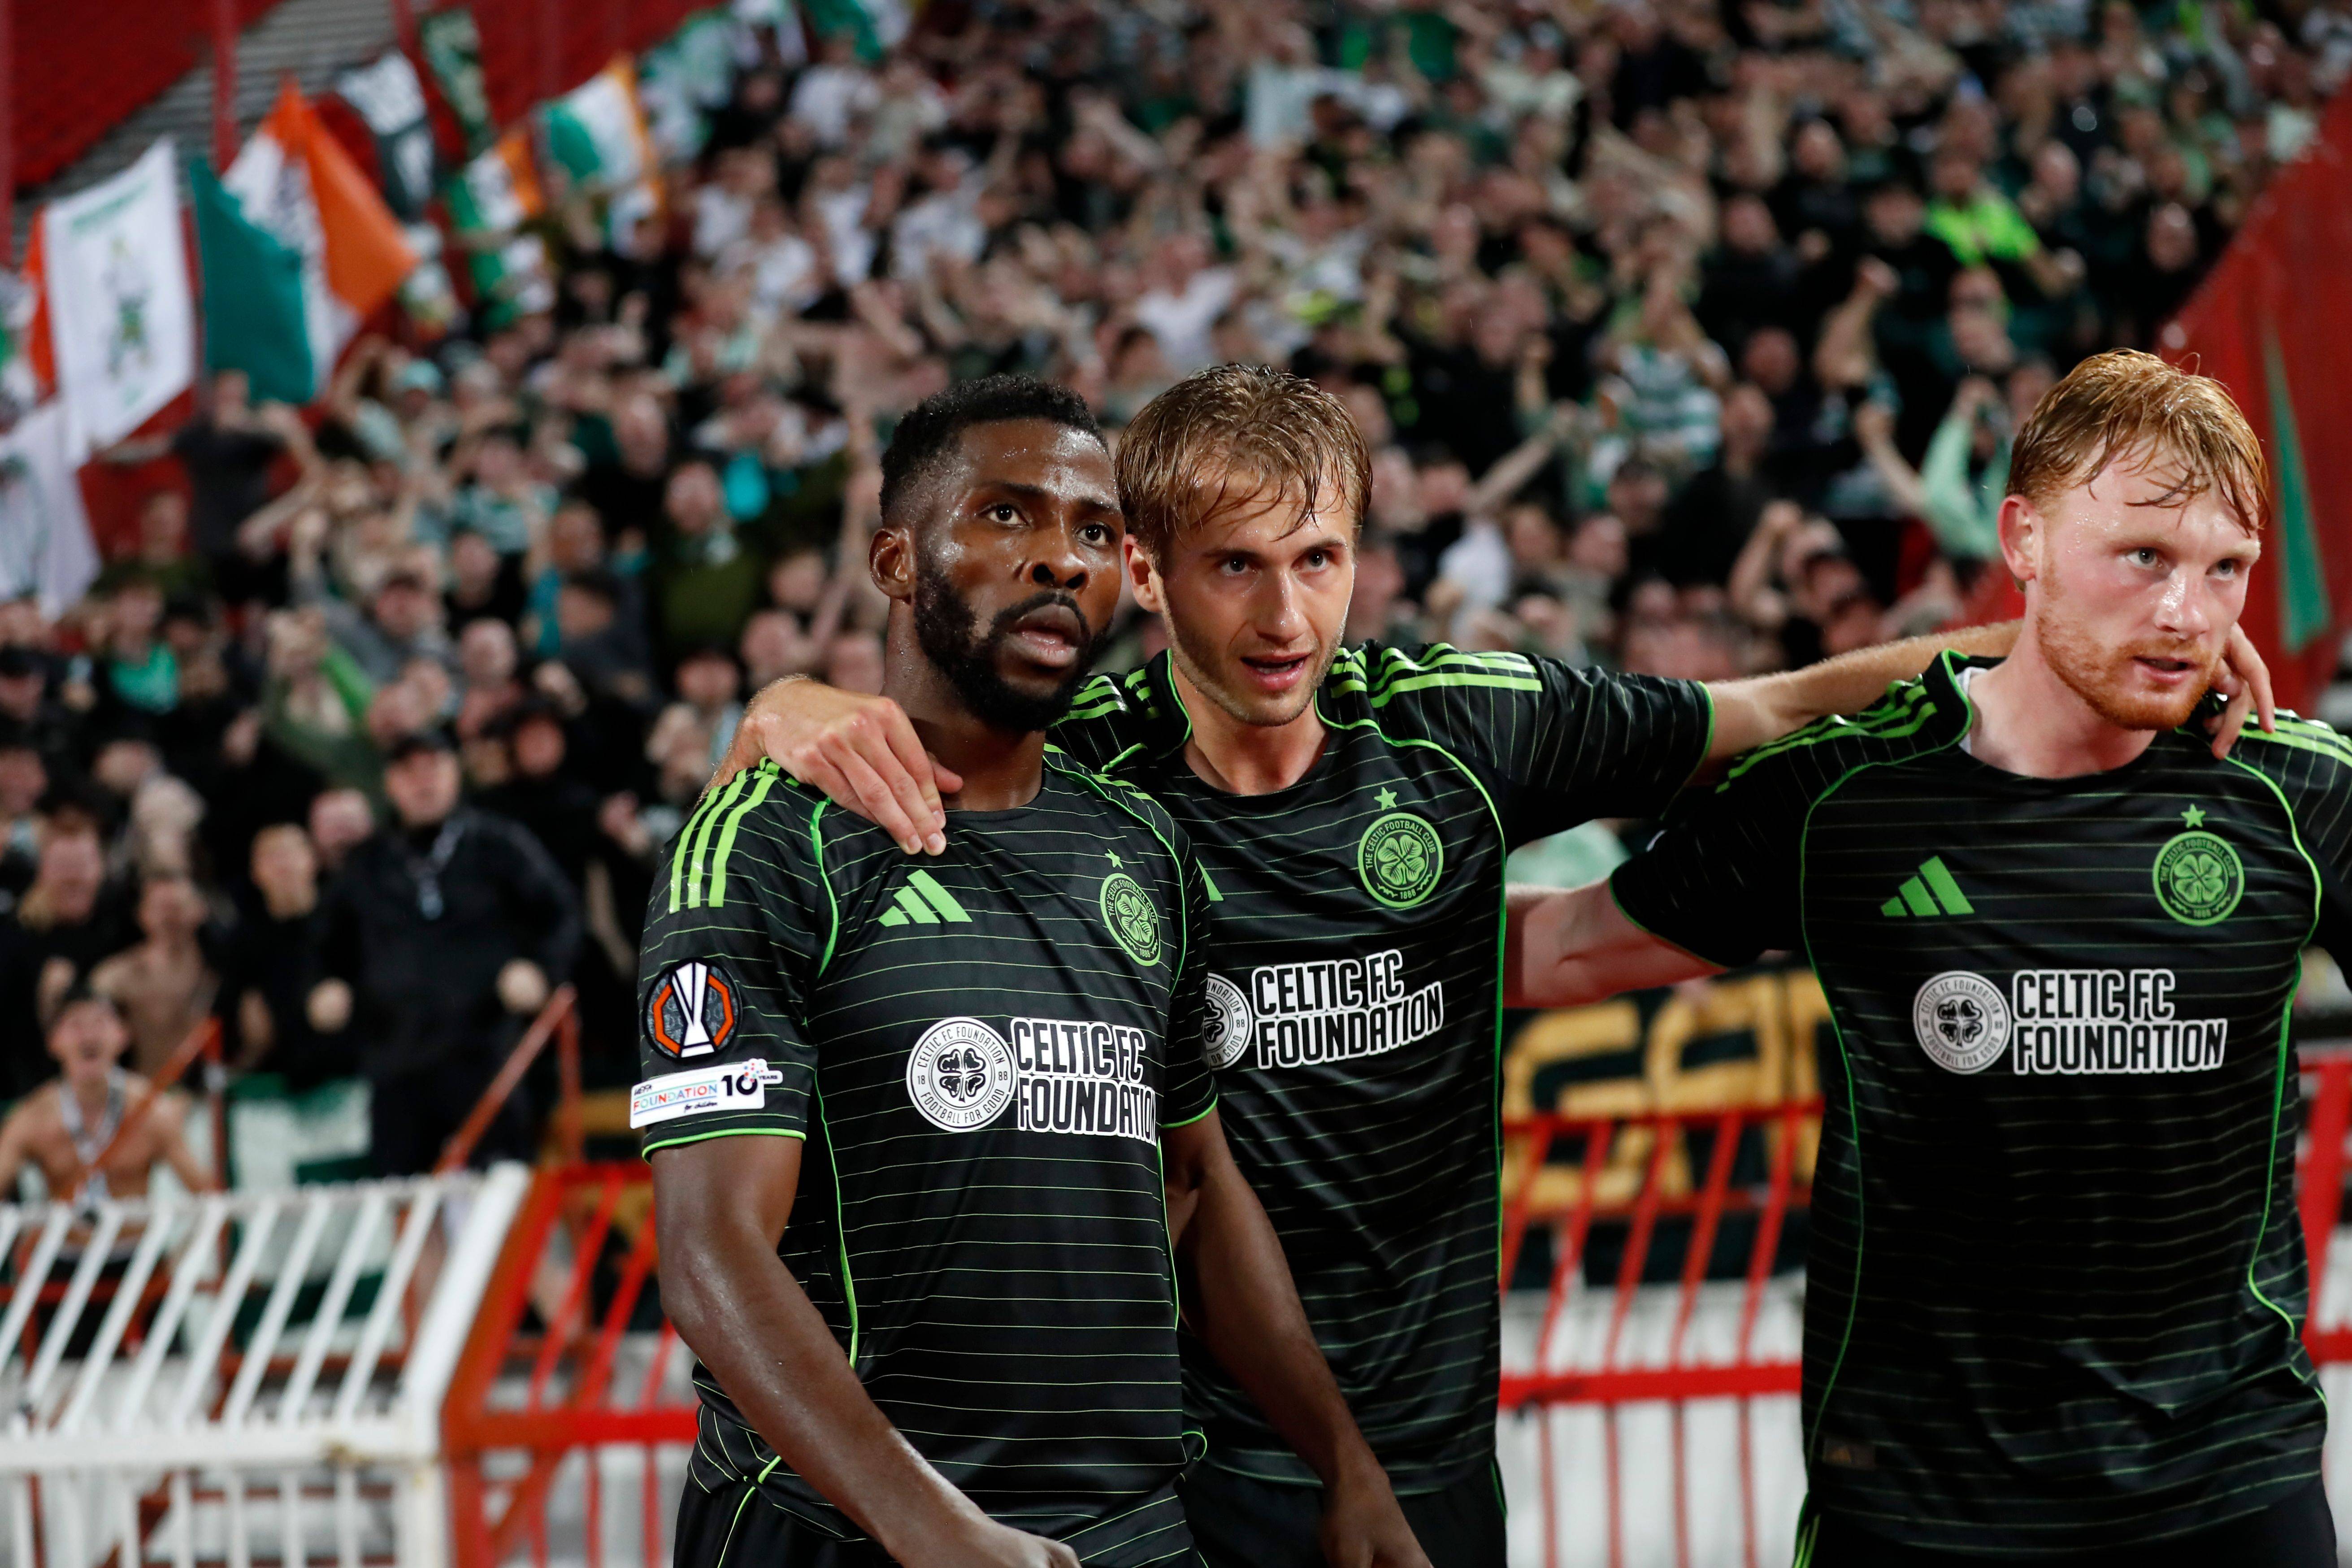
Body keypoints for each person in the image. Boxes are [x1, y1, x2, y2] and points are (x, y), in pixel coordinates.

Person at [712, 365, 2273, 1568]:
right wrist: (778, 696)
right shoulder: (1090, 769)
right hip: (1176, 1452)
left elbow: (1774, 705)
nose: (1283, 614)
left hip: (1437, 1438)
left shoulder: (1456, 721)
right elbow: (858, 746)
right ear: (1148, 570)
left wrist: (2105, 647)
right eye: (1235, 566)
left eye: (1317, 557)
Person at [1507, 351, 2332, 1564]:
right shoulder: (1848, 792)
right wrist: (1291, 899)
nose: (2186, 614)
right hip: (1918, 1508)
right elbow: (1564, 952)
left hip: (2228, 1489)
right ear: (2023, 541)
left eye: (2224, 570)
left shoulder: (2295, 792)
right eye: (2141, 557)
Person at [644, 375, 1426, 1568]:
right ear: (897, 562)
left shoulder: (1146, 849)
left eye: (1095, 532)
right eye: (1005, 516)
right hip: (843, 1533)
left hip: (1129, 1536)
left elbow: (1203, 1191)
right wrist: (935, 1531)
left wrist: (1346, 1464)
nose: (1060, 559)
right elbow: (709, 1256)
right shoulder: (766, 838)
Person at [311, 729, 580, 1175]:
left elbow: (562, 912)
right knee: (405, 1196)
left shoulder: (498, 843)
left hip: (485, 1047)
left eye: (433, 766)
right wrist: (323, 986)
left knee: (502, 1184)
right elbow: (324, 943)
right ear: (389, 784)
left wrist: (541, 969)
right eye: (408, 771)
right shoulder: (366, 862)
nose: (423, 781)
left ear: (455, 772)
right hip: (395, 1055)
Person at [0, 985, 212, 1201]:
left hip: (133, 1234)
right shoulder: (32, 1118)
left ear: (123, 1035)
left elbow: (208, 1196)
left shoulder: (151, 1109)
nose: (89, 1034)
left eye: (100, 1022)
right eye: (76, 1025)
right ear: (54, 1041)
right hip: (66, 1234)